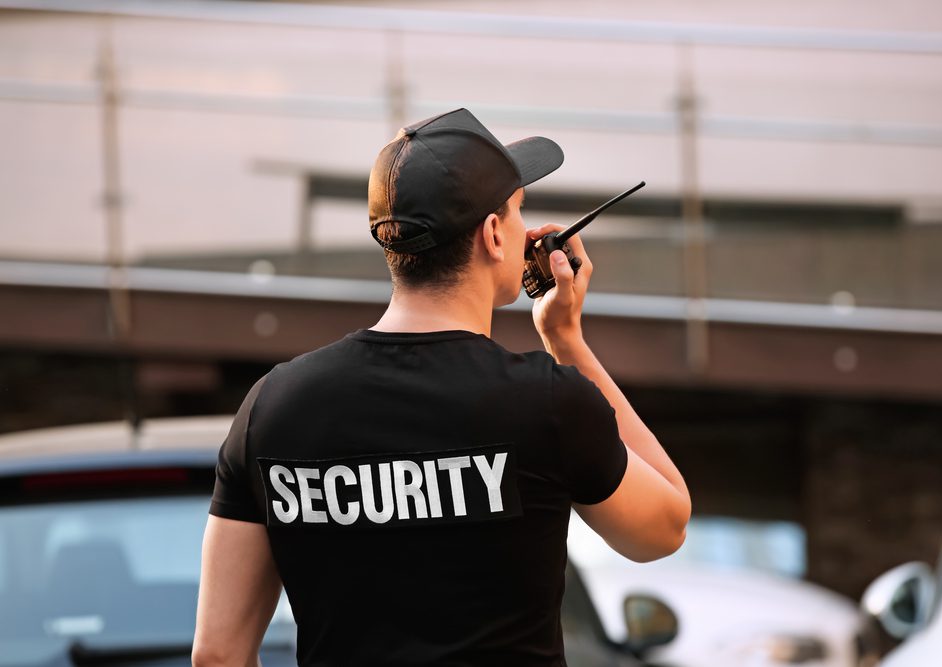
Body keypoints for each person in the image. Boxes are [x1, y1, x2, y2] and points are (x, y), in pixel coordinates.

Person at [193, 108, 691, 667]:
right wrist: (565, 340)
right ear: (494, 234)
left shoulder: (273, 405)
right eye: (518, 211)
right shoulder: (546, 402)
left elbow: (217, 654)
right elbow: (664, 528)